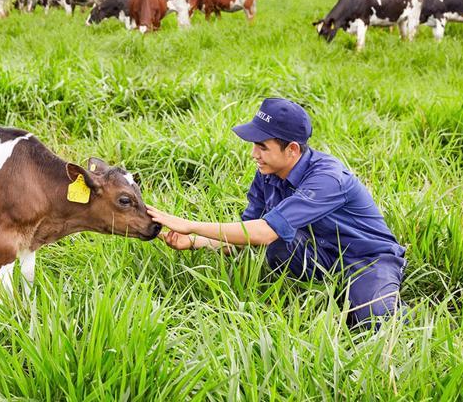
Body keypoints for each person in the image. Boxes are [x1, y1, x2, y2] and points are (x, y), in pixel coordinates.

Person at [146, 97, 407, 327]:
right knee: (278, 242)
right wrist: (192, 241)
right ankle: (319, 296)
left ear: (292, 149)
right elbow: (247, 236)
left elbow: (263, 232)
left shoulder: (328, 178)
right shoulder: (267, 174)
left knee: (377, 321)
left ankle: (377, 301)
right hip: (318, 256)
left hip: (366, 259)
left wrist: (189, 224)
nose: (253, 154)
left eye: (262, 147)